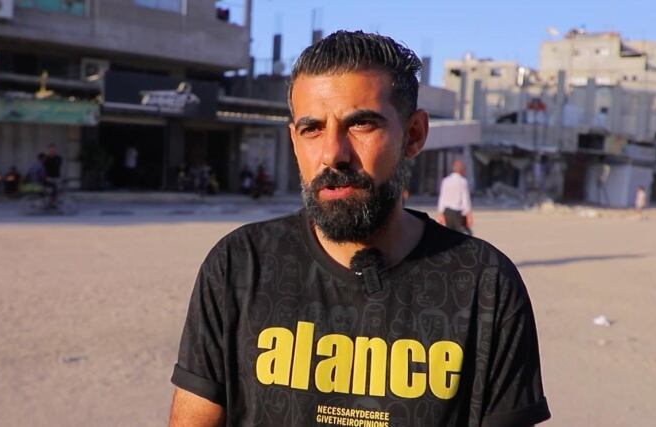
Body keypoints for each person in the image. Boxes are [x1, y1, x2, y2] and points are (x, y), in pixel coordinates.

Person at [169, 31, 550, 427]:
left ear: (414, 134)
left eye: (361, 124)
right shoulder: (239, 266)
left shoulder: (484, 286)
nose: (333, 153)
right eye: (312, 129)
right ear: (294, 141)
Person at [437, 160, 473, 235]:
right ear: (462, 170)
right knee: (460, 236)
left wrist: (440, 213)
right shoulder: (463, 181)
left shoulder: (445, 180)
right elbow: (465, 199)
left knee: (449, 235)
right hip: (458, 213)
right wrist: (468, 214)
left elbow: (442, 198)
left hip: (447, 212)